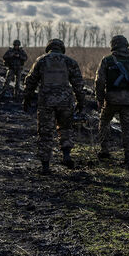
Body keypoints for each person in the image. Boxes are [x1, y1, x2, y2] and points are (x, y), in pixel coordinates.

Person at [23, 38, 86, 174]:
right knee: (65, 129)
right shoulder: (70, 62)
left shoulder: (41, 61)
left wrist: (26, 98)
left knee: (45, 132)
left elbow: (30, 81)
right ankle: (66, 156)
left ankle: (45, 166)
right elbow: (78, 85)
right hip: (65, 102)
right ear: (62, 48)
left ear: (49, 47)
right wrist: (81, 102)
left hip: (46, 102)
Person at [95, 35, 129, 168]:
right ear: (126, 45)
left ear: (113, 46)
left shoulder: (106, 61)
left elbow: (99, 81)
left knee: (104, 122)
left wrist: (100, 99)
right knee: (128, 129)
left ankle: (105, 150)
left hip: (111, 100)